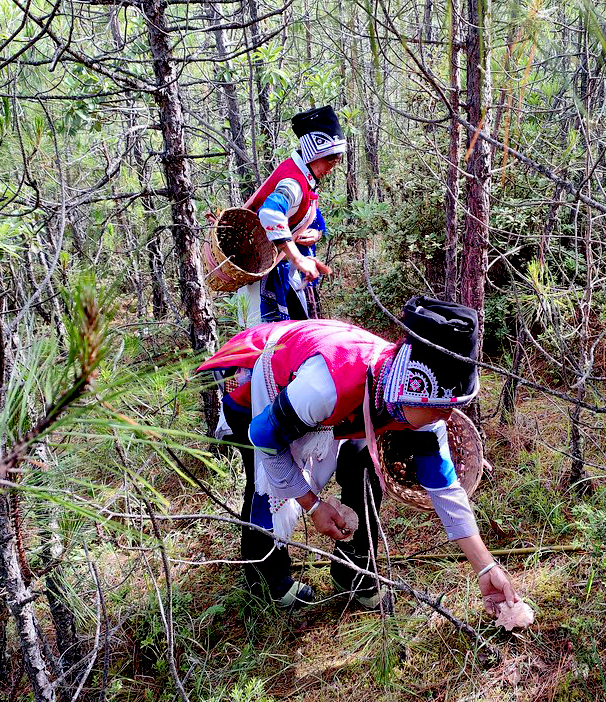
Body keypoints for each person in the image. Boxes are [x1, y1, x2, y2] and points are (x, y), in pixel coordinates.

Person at [198, 297, 522, 614]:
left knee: (365, 464)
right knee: (264, 486)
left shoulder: (410, 399)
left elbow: (444, 487)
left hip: (330, 404)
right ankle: (267, 582)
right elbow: (265, 438)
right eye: (443, 409)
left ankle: (353, 572)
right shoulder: (327, 386)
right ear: (413, 391)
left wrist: (485, 567)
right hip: (259, 377)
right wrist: (313, 505)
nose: (448, 418)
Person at [238, 105, 345, 326]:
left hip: (274, 272)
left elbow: (304, 216)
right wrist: (297, 258)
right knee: (262, 346)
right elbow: (270, 213)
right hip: (263, 276)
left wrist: (313, 234)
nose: (331, 168)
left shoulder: (301, 178)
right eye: (330, 161)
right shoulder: (293, 182)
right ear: (316, 155)